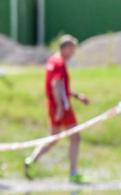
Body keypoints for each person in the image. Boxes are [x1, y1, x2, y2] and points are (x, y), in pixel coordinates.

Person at [24, 34, 90, 183]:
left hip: (53, 104)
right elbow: (56, 85)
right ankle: (73, 173)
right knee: (75, 137)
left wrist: (77, 96)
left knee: (53, 138)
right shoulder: (59, 63)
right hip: (62, 106)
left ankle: (31, 159)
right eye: (72, 49)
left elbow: (61, 87)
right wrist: (61, 106)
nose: (73, 53)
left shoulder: (52, 60)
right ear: (65, 48)